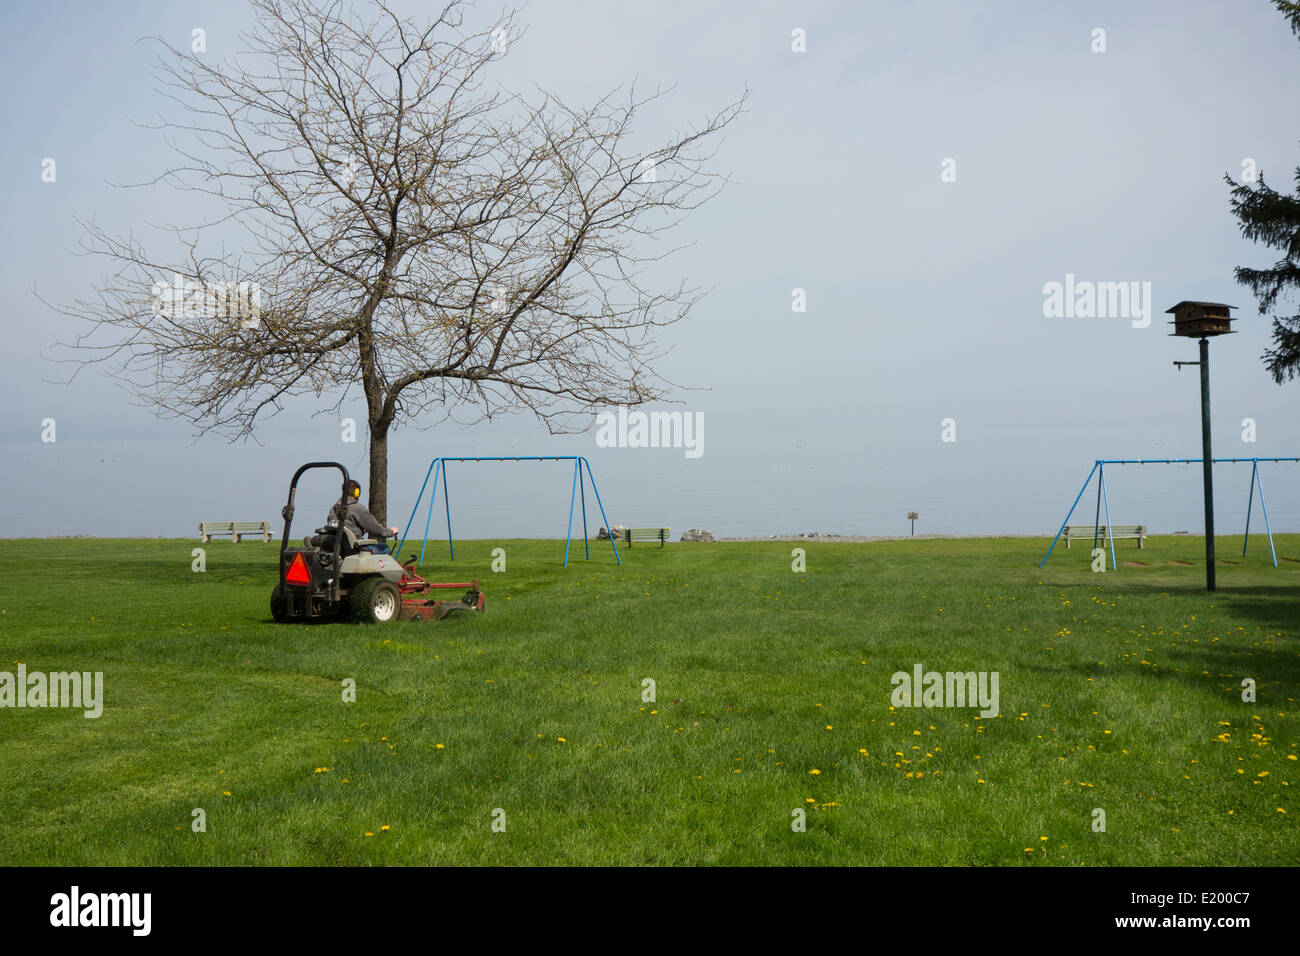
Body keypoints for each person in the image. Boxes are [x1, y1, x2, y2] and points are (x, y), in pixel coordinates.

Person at [328, 480, 400, 554]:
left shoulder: (334, 509)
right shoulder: (357, 508)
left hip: (340, 550)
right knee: (384, 548)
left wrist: (361, 530)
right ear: (357, 492)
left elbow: (346, 528)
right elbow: (377, 530)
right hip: (355, 550)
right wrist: (391, 532)